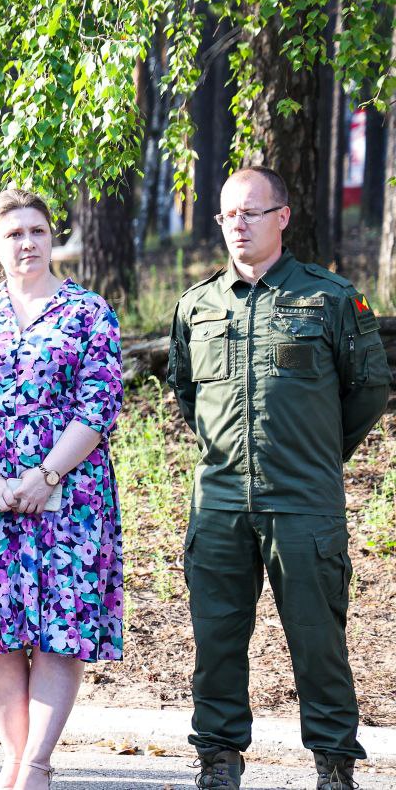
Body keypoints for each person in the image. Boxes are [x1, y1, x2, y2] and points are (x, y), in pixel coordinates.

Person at [168, 167, 391, 790]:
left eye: (251, 212)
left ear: (283, 217)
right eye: (227, 215)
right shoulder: (197, 305)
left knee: (319, 642)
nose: (237, 225)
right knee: (216, 640)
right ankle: (217, 761)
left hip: (303, 506)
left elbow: (368, 389)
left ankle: (334, 765)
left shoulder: (331, 297)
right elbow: (187, 394)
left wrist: (317, 452)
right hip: (219, 507)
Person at [0, 188, 124, 790]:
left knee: (60, 630)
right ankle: (13, 761)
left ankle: (37, 765)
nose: (28, 243)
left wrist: (45, 477)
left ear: (52, 237)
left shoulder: (89, 312)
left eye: (37, 230)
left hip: (70, 497)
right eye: (13, 234)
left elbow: (100, 405)